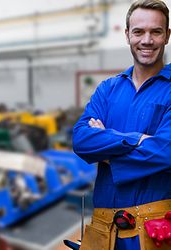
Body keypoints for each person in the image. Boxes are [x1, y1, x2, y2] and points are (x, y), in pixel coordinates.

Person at [72, 0, 171, 249]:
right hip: (103, 231)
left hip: (154, 232)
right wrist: (136, 139)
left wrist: (105, 149)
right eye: (138, 32)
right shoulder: (108, 89)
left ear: (167, 36)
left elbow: (166, 152)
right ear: (127, 35)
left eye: (155, 32)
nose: (146, 40)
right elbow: (81, 139)